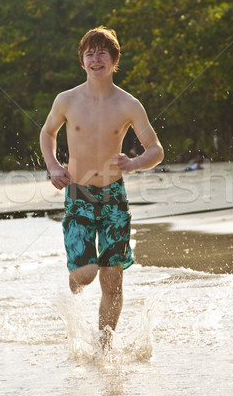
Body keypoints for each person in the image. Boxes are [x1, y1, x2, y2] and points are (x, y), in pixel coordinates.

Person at [40, 26, 164, 345]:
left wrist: (135, 163)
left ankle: (104, 347)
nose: (96, 59)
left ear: (114, 60)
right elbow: (48, 133)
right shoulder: (66, 100)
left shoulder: (128, 104)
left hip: (114, 196)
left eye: (102, 53)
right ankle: (75, 273)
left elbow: (156, 149)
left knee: (112, 281)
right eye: (89, 53)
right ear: (82, 62)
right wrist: (54, 166)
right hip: (78, 194)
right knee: (86, 274)